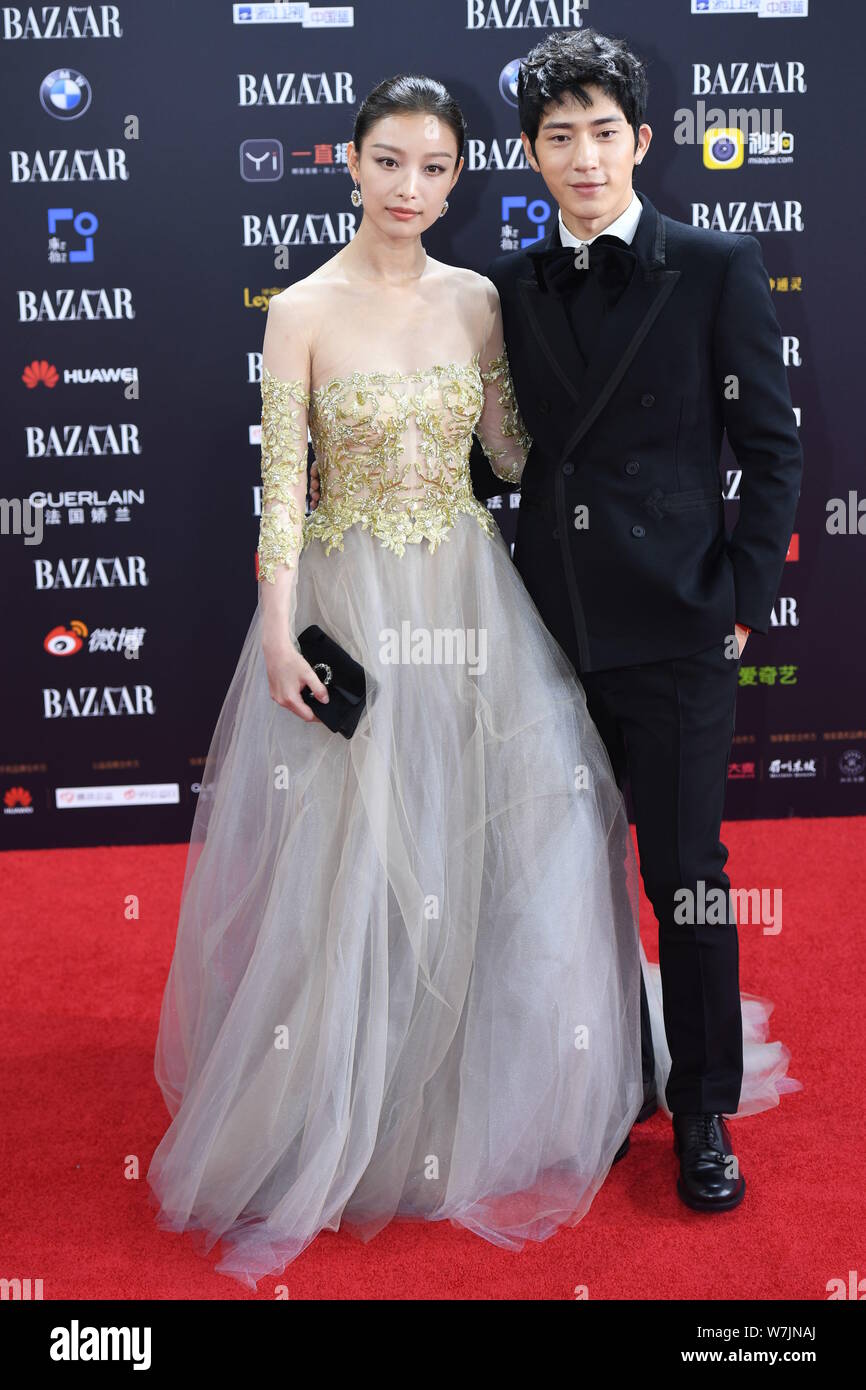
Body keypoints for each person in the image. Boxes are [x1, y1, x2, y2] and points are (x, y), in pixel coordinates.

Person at [147, 74, 795, 1291]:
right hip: (393, 605)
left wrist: (714, 586)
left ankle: (644, 1095)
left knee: (608, 860)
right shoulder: (331, 305)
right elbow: (300, 488)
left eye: (431, 168)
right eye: (386, 162)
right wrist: (281, 628)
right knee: (386, 861)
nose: (408, 187)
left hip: (539, 608)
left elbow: (534, 448)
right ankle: (379, 1085)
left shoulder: (532, 291)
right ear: (348, 162)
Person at [465, 29, 804, 1211]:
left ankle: (701, 1107)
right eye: (558, 138)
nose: (582, 157)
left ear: (640, 142)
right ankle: (609, 1086)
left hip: (673, 629)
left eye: (602, 133)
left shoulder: (709, 267)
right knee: (563, 877)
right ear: (529, 154)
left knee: (685, 877)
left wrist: (739, 602)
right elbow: (490, 458)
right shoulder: (501, 285)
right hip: (547, 631)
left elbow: (769, 448)